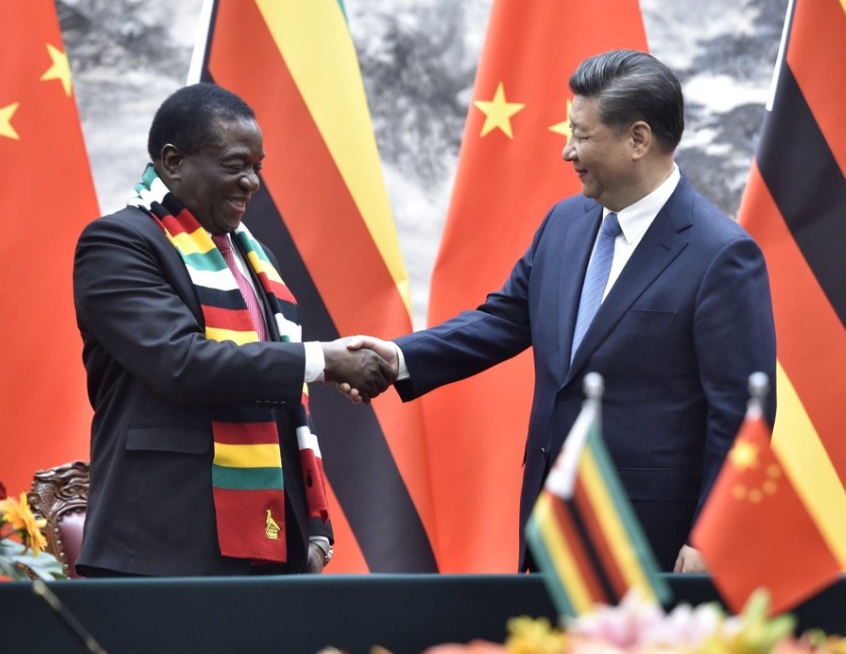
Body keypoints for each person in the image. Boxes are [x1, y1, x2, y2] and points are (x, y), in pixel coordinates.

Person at [347, 50, 776, 573]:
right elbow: (503, 320)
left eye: (581, 134)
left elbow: (743, 415)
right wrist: (396, 357)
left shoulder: (721, 255)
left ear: (638, 140)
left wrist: (711, 537)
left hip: (649, 543)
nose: (567, 151)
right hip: (548, 528)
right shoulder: (565, 223)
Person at [72, 83, 394, 576]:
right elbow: (181, 363)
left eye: (257, 167)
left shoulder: (254, 257)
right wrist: (323, 360)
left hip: (269, 541)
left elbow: (276, 392)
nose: (251, 182)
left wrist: (311, 529)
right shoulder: (117, 244)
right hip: (163, 545)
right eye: (235, 165)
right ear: (173, 161)